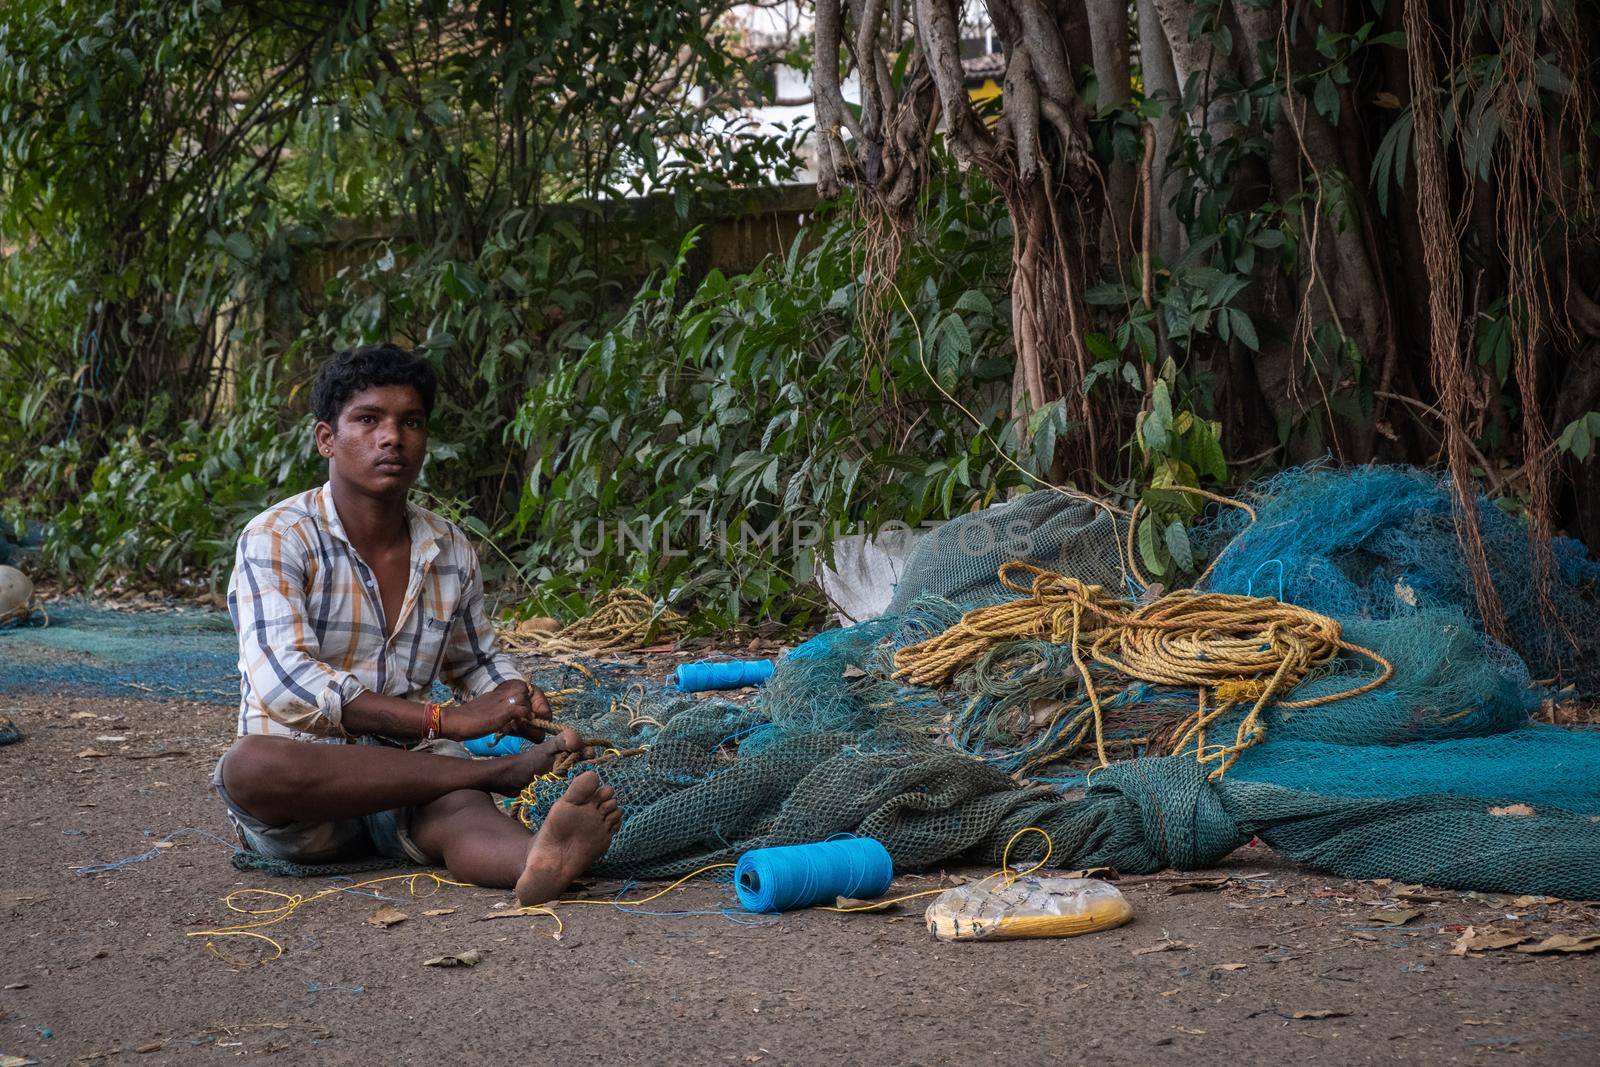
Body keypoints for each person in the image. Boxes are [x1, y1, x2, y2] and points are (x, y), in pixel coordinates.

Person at [213, 344, 619, 905]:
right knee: (249, 765)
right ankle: (493, 773)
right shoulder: (276, 537)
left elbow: (476, 660)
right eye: (368, 420)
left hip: (415, 778)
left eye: (411, 422)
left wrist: (513, 695)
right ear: (326, 439)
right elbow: (283, 684)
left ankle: (539, 860)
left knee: (457, 812)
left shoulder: (449, 547)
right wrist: (444, 720)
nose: (392, 438)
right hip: (307, 794)